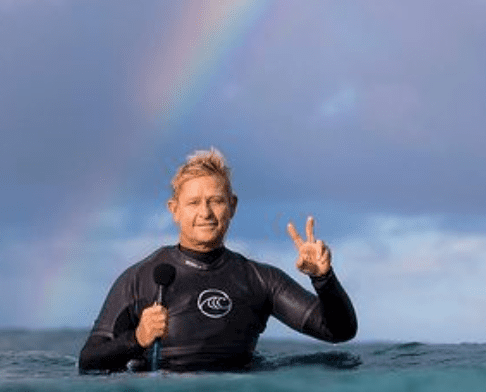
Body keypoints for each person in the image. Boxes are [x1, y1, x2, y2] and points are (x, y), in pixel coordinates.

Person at [78, 148, 357, 373]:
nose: (206, 212)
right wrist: (136, 339)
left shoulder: (260, 280)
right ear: (174, 210)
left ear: (232, 206)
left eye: (216, 201)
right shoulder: (140, 279)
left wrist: (323, 278)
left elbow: (338, 332)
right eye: (194, 202)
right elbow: (89, 360)